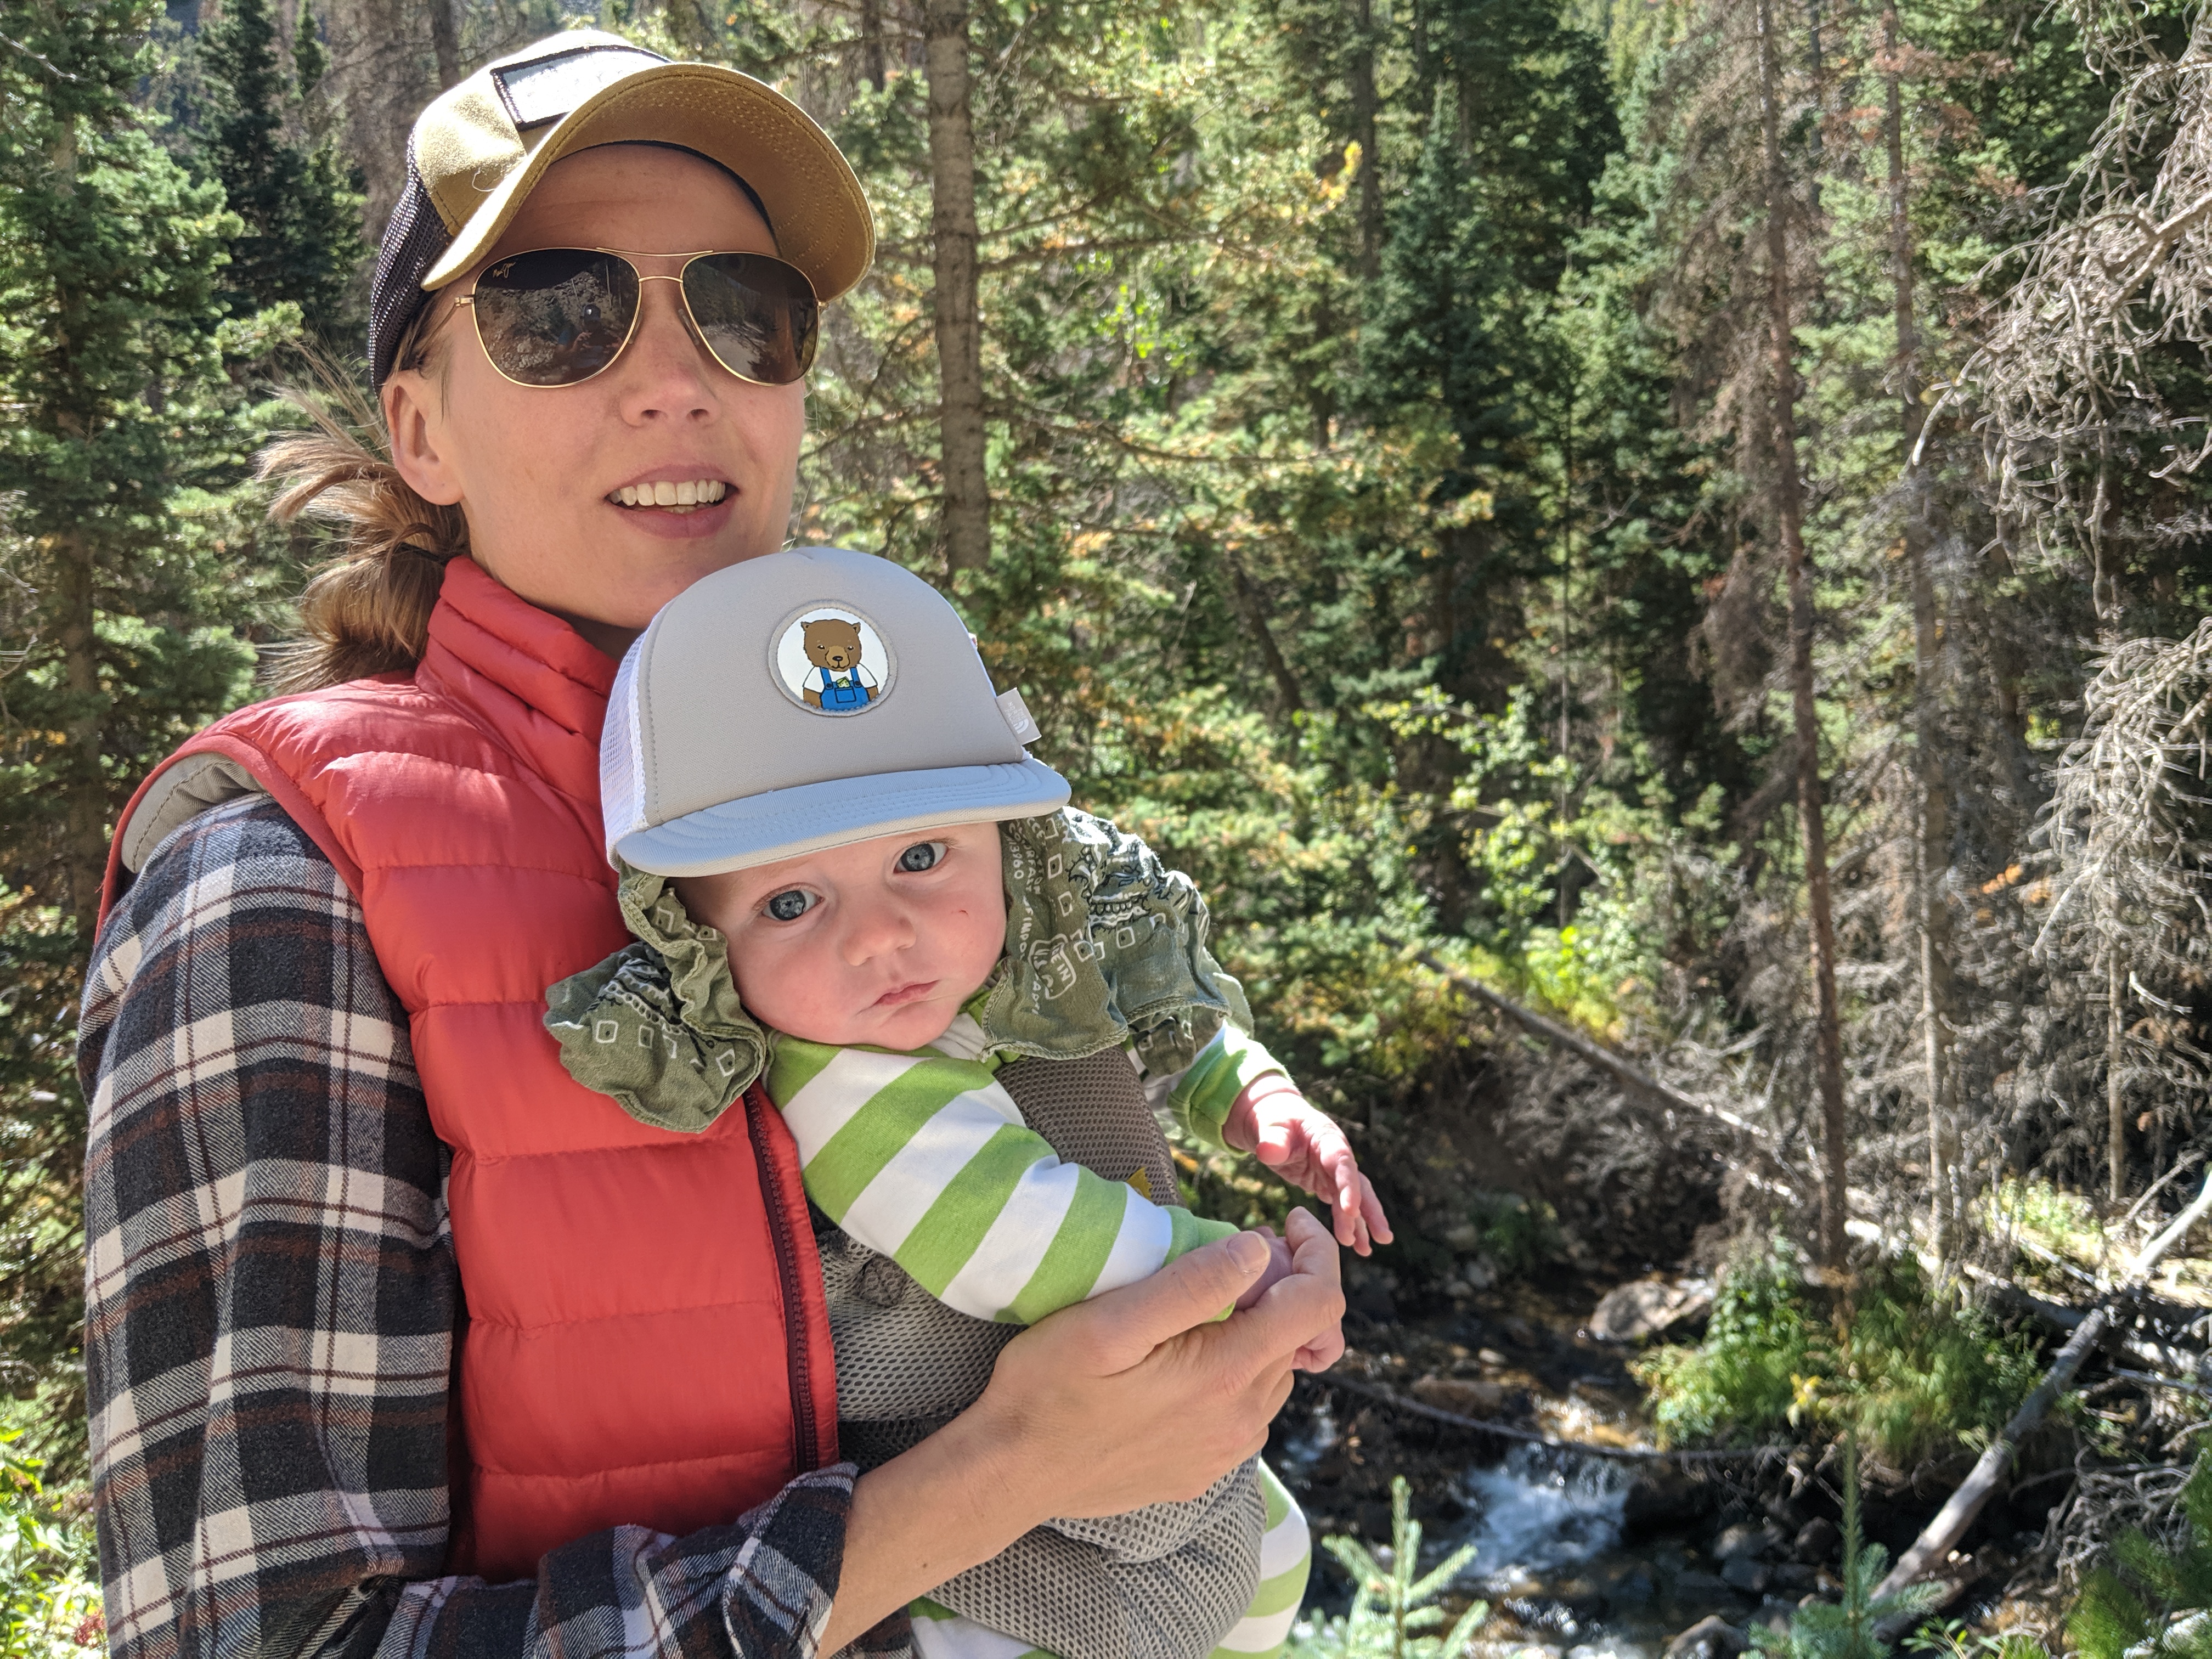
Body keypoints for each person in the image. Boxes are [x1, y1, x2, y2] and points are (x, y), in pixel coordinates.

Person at [77, 30, 1344, 1659]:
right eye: (556, 309)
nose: (678, 375)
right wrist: (1011, 1471)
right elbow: (265, 1642)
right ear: (420, 430)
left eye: (746, 309)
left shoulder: (908, 796)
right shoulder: (277, 894)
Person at [543, 549, 1394, 1659]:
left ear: (1012, 847)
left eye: (923, 855)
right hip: (984, 1539)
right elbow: (1015, 1234)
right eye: (792, 901)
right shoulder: (840, 1080)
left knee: (1269, 1562)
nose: (879, 935)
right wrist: (1241, 1280)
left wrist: (1244, 1089)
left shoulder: (1013, 964)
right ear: (697, 940)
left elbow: (1136, 1019)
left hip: (1131, 1473)